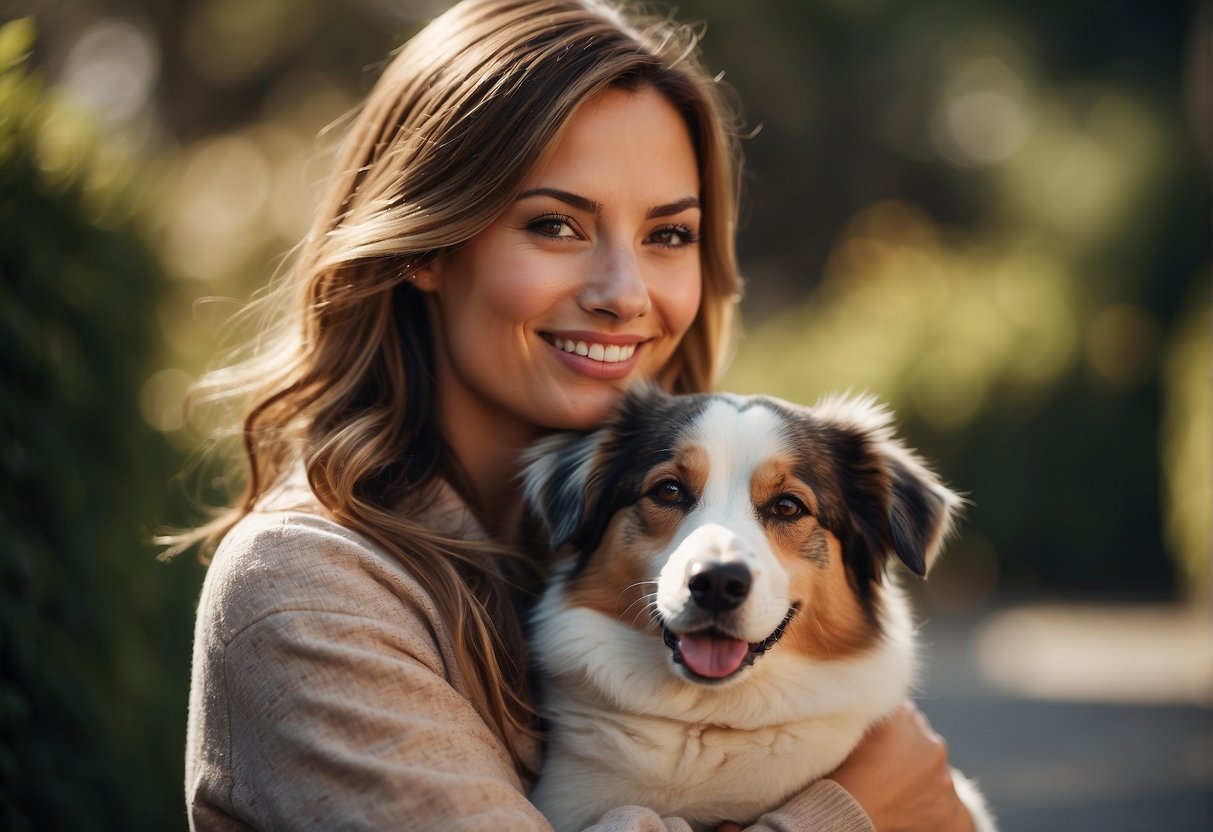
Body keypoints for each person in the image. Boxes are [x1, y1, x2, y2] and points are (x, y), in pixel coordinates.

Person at [179, 0, 977, 829]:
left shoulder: (609, 527)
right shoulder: (307, 591)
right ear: (422, 244)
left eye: (668, 236)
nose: (622, 294)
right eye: (555, 225)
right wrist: (850, 811)